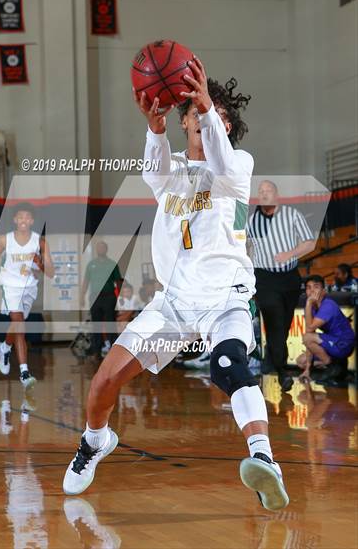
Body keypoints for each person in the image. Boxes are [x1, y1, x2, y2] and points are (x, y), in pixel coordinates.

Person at [63, 58, 289, 511]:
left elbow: (223, 155)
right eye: (200, 112)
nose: (208, 119)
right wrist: (154, 128)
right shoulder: (174, 170)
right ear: (183, 118)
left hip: (227, 295)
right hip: (174, 304)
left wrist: (207, 105)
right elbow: (154, 172)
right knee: (104, 383)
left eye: (219, 115)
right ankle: (95, 441)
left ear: (224, 125)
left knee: (230, 365)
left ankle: (264, 460)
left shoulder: (237, 164)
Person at [247, 180, 315, 391]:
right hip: (264, 278)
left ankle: (272, 358)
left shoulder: (292, 215)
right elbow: (241, 244)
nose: (264, 194)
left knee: (283, 326)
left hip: (289, 277)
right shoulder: (251, 220)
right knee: (275, 320)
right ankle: (283, 371)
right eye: (261, 191)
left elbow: (309, 242)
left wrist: (290, 254)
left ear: (277, 194)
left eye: (268, 190)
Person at [0, 203, 54, 388]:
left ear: (32, 221)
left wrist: (40, 262)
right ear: (15, 219)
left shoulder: (40, 241)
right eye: (20, 217)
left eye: (27, 217)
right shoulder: (6, 240)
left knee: (16, 325)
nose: (23, 220)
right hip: (10, 286)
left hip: (29, 287)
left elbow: (51, 272)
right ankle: (24, 372)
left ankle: (5, 347)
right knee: (19, 324)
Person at [296, 275, 355, 381]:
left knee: (308, 337)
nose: (312, 290)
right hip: (332, 342)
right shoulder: (311, 307)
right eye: (308, 287)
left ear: (323, 291)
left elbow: (309, 332)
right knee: (301, 361)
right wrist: (307, 370)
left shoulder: (328, 305)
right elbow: (309, 338)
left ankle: (332, 367)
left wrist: (308, 303)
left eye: (316, 287)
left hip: (344, 343)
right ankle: (339, 369)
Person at [80, 241, 122, 357]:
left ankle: (113, 349)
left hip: (109, 297)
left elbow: (118, 282)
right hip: (95, 297)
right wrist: (82, 296)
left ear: (106, 249)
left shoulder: (112, 264)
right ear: (96, 250)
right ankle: (96, 350)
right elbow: (86, 282)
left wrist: (120, 297)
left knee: (110, 324)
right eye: (98, 248)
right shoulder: (91, 264)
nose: (100, 249)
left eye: (102, 248)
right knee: (96, 324)